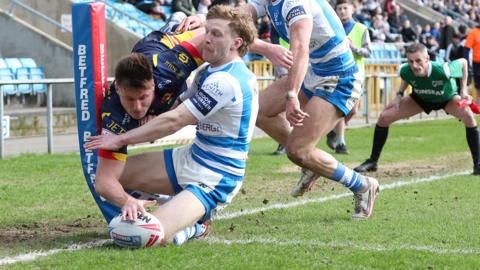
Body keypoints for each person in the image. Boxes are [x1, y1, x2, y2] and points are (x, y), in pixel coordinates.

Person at [177, 0, 380, 219]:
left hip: (339, 76)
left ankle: (362, 184)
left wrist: (292, 94)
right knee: (260, 110)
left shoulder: (295, 3)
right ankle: (311, 164)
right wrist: (204, 19)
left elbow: (300, 49)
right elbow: (234, 18)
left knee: (298, 151)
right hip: (315, 70)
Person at [85, 5, 259, 246]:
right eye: (207, 31)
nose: (206, 39)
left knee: (147, 235)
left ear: (236, 43)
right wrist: (149, 117)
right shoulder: (207, 73)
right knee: (113, 179)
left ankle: (196, 227)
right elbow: (176, 107)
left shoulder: (227, 81)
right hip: (190, 157)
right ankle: (172, 202)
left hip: (216, 175)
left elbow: (176, 120)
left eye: (216, 34)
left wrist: (121, 139)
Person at [354, 43, 480, 175]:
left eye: (418, 60)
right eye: (411, 61)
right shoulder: (404, 69)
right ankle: (372, 162)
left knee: (469, 117)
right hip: (420, 99)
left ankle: (477, 164)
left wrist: (463, 90)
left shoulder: (443, 69)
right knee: (384, 117)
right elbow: (406, 76)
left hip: (446, 99)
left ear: (427, 59)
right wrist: (399, 95)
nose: (414, 65)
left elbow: (464, 62)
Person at [327, 0, 372, 154]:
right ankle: (341, 143)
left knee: (353, 110)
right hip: (337, 74)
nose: (342, 11)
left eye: (345, 8)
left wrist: (352, 47)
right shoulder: (332, 27)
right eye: (339, 8)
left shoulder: (361, 28)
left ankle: (332, 131)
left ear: (353, 9)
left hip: (357, 75)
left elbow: (368, 52)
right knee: (343, 109)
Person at [464, 23, 480, 104]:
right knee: (478, 84)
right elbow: (466, 48)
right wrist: (466, 63)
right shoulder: (473, 32)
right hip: (477, 63)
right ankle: (478, 102)